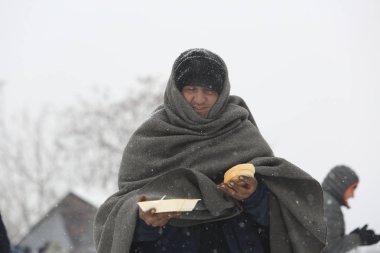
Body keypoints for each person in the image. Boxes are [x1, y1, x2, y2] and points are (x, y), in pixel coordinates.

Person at [94, 48, 326, 253]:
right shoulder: (151, 137)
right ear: (176, 91)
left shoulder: (241, 132)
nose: (199, 99)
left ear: (222, 92)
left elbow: (276, 220)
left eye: (209, 90)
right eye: (191, 89)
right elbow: (124, 215)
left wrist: (254, 196)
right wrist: (147, 222)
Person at [322, 165, 380, 253]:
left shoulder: (323, 200)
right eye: (352, 189)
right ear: (341, 185)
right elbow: (332, 248)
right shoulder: (329, 206)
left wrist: (354, 237)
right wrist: (359, 238)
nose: (353, 195)